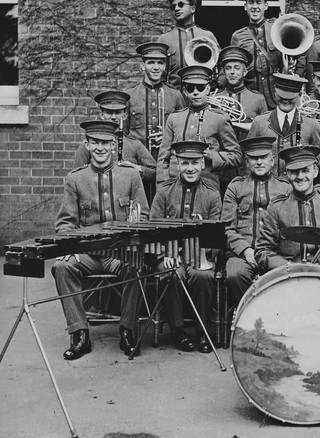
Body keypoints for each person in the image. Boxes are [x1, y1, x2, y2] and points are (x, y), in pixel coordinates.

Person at [53, 120, 149, 360]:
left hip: (119, 255)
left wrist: (132, 238)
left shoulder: (130, 176)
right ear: (87, 144)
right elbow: (65, 222)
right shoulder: (75, 179)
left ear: (114, 145)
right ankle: (79, 334)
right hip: (87, 256)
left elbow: (144, 215)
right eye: (94, 142)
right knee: (62, 267)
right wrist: (69, 247)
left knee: (137, 268)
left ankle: (128, 330)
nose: (99, 148)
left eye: (105, 142)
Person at [150, 140, 222, 353]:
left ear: (202, 164)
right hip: (172, 257)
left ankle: (202, 331)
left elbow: (217, 237)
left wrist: (207, 255)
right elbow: (152, 230)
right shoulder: (164, 192)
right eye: (185, 163)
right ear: (177, 164)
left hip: (200, 256)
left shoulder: (212, 194)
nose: (190, 168)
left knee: (204, 276)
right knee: (172, 274)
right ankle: (178, 330)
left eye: (195, 162)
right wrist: (164, 255)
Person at [255, 145, 320, 270]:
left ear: (315, 172)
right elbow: (263, 252)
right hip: (290, 277)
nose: (300, 176)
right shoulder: (277, 207)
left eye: (305, 170)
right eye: (294, 172)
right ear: (287, 174)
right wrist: (290, 267)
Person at [221, 136, 292, 306]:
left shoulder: (286, 188)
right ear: (246, 162)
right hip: (243, 254)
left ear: (272, 160)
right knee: (235, 274)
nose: (259, 162)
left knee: (287, 274)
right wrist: (245, 250)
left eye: (263, 157)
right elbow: (227, 227)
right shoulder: (235, 187)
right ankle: (249, 316)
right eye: (254, 158)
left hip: (276, 253)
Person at [156, 65, 242, 192]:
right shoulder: (174, 118)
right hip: (175, 188)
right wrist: (163, 187)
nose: (195, 92)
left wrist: (213, 156)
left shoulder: (219, 118)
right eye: (191, 88)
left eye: (200, 88)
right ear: (185, 91)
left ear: (207, 89)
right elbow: (163, 158)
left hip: (207, 188)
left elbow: (236, 156)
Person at [72, 90, 157, 204]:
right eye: (108, 112)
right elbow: (76, 179)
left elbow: (155, 172)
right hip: (96, 203)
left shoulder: (134, 144)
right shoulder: (87, 145)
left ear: (125, 115)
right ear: (101, 114)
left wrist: (138, 169)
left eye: (117, 112)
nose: (113, 117)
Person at [231, 0, 305, 109]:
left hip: (278, 99)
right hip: (250, 102)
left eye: (258, 2)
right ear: (245, 6)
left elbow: (300, 53)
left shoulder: (278, 29)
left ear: (266, 6)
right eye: (251, 2)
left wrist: (296, 75)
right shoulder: (238, 36)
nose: (255, 7)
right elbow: (231, 64)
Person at [247, 73, 320, 177]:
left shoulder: (312, 124)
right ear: (275, 92)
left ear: (300, 95)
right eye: (281, 95)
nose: (285, 100)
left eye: (291, 97)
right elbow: (249, 158)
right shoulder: (259, 122)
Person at [214, 46, 269, 188]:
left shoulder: (257, 98)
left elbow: (265, 132)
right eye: (228, 68)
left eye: (237, 68)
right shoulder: (215, 98)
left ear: (245, 71)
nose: (232, 72)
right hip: (222, 166)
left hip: (248, 163)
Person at [125, 42, 186, 158]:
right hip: (137, 161)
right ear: (143, 66)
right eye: (151, 63)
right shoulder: (129, 95)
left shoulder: (175, 95)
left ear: (164, 66)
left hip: (167, 159)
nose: (156, 67)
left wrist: (169, 137)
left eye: (160, 63)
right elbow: (123, 134)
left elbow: (184, 131)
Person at [157, 0, 220, 88]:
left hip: (201, 95)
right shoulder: (165, 39)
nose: (176, 8)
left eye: (181, 4)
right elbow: (160, 74)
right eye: (173, 7)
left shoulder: (207, 36)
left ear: (193, 8)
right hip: (175, 96)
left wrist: (217, 84)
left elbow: (221, 66)